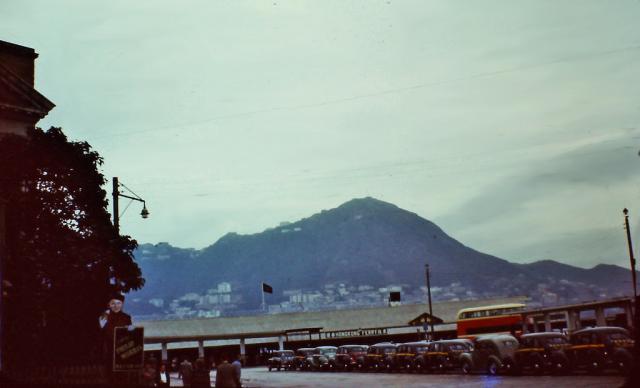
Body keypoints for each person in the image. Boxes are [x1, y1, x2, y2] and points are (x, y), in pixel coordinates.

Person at [98, 292, 133, 374]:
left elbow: (131, 334)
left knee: (122, 375)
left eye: (118, 303)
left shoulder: (126, 317)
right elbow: (101, 329)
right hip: (108, 351)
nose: (116, 306)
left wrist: (131, 330)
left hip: (122, 351)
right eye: (113, 303)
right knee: (109, 374)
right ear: (109, 304)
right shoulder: (104, 316)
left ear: (122, 304)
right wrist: (105, 314)